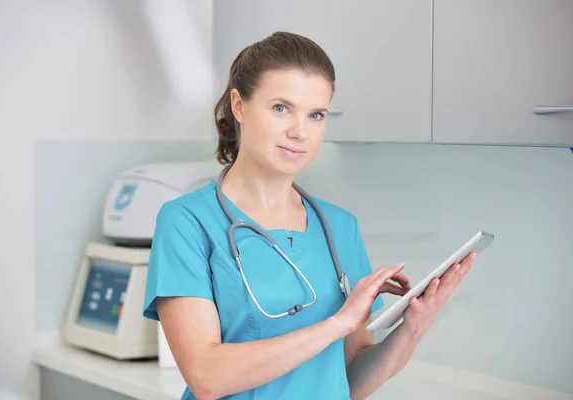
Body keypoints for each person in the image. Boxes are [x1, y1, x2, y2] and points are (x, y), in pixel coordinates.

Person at [143, 31, 476, 400]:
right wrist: (338, 324)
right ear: (239, 105)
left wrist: (413, 327)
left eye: (316, 115)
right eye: (281, 108)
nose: (299, 132)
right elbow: (207, 377)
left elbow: (352, 381)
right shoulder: (187, 222)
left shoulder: (339, 227)